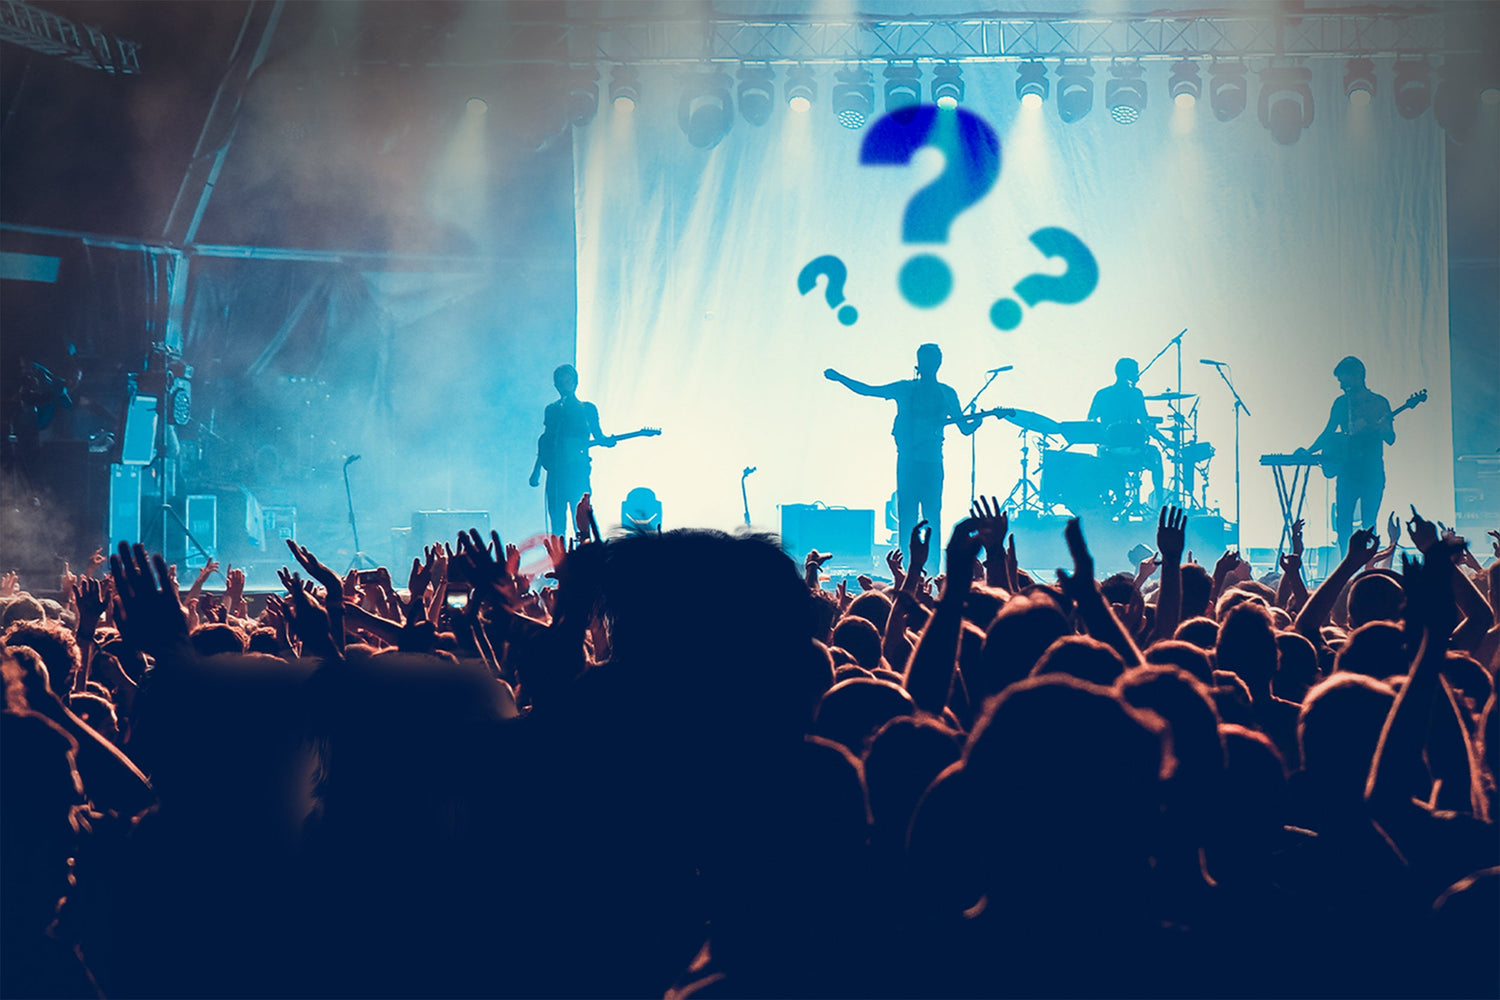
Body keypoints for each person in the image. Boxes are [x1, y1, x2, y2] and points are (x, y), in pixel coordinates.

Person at [824, 344, 978, 573]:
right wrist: (840, 378)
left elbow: (964, 429)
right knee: (917, 518)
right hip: (916, 463)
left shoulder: (935, 392)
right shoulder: (918, 390)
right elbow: (868, 390)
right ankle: (915, 572)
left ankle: (922, 573)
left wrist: (977, 420)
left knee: (922, 518)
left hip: (923, 463)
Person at [1302, 356, 1393, 554]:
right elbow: (1328, 432)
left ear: (1358, 375)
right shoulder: (1341, 404)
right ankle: (1346, 565)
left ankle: (1367, 568)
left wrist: (1384, 429)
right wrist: (1308, 452)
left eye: (1344, 380)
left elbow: (1391, 437)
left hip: (1371, 472)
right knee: (1343, 522)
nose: (1342, 385)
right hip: (1347, 471)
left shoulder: (1379, 403)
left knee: (1369, 523)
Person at [529, 364, 613, 537]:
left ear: (575, 382)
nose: (565, 385)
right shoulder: (552, 409)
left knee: (581, 521)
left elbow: (598, 436)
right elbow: (546, 441)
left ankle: (585, 559)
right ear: (556, 386)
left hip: (578, 472)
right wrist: (536, 471)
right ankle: (560, 560)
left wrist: (607, 441)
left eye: (568, 381)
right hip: (556, 475)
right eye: (561, 382)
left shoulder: (588, 408)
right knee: (557, 525)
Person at [1088, 357, 1164, 508]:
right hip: (1136, 450)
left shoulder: (1102, 394)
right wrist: (1165, 441)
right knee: (1156, 456)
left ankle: (1109, 500)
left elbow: (1090, 422)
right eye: (1135, 370)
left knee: (1100, 457)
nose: (1138, 373)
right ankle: (1159, 501)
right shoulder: (1135, 394)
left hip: (1108, 450)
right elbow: (1145, 423)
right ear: (1129, 373)